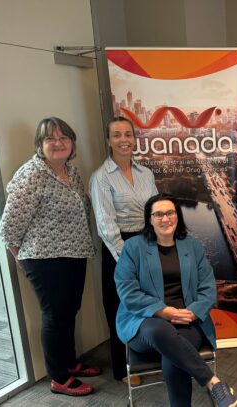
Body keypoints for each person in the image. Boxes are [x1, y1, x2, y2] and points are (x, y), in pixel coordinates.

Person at [1, 117, 99, 396]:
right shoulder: (31, 174)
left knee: (69, 312)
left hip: (74, 253)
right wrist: (21, 259)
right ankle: (58, 377)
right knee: (55, 316)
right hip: (44, 259)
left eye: (64, 138)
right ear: (39, 144)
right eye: (50, 138)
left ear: (72, 144)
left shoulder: (71, 170)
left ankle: (68, 364)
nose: (58, 143)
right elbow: (9, 226)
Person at [115, 194, 237, 407]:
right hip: (144, 322)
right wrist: (163, 311)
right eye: (159, 214)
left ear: (177, 216)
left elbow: (208, 287)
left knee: (173, 359)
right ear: (150, 219)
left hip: (186, 319)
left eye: (170, 213)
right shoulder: (133, 247)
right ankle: (212, 382)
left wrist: (192, 312)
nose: (165, 219)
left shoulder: (192, 246)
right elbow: (127, 290)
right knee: (159, 330)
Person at [90, 116, 158, 383]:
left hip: (147, 241)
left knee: (149, 302)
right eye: (117, 135)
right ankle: (124, 366)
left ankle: (149, 357)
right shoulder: (101, 177)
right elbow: (106, 225)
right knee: (121, 306)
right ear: (108, 140)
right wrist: (127, 258)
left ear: (134, 138)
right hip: (119, 247)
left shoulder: (146, 173)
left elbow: (155, 208)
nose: (123, 140)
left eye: (128, 134)